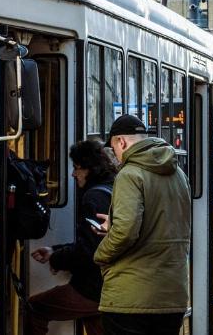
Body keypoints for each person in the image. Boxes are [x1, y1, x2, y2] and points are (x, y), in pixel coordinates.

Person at [92, 114, 191, 335]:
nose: (116, 156)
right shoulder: (179, 174)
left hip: (132, 298)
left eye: (114, 148)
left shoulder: (130, 174)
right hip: (172, 295)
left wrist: (101, 255)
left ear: (122, 142)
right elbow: (170, 222)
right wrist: (115, 223)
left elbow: (126, 232)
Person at [26, 140, 116, 335]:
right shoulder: (113, 188)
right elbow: (93, 241)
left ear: (90, 169)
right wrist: (54, 251)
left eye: (77, 168)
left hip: (93, 288)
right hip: (110, 286)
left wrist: (57, 259)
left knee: (34, 307)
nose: (73, 174)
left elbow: (88, 251)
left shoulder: (93, 197)